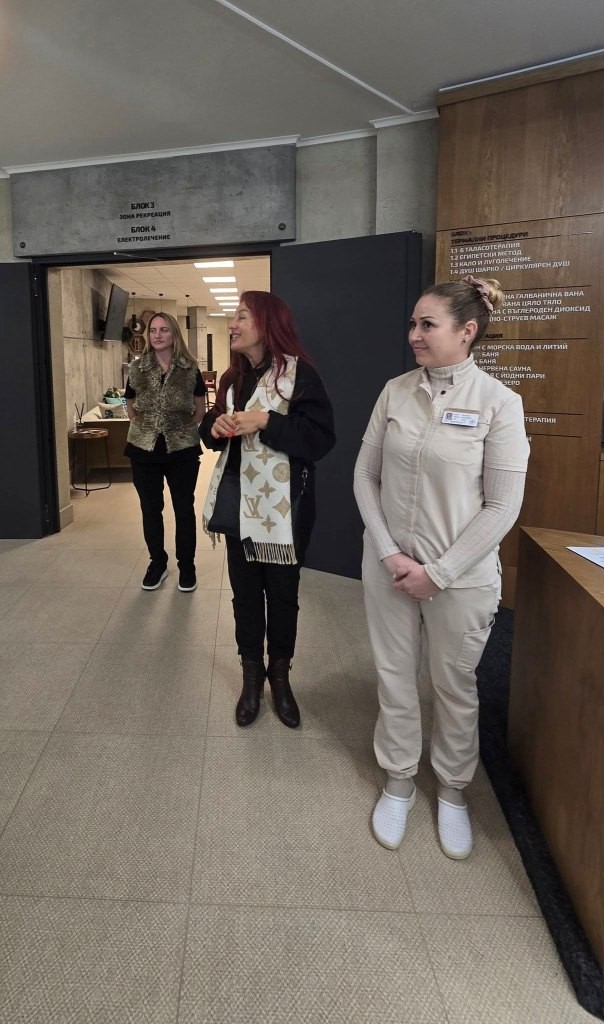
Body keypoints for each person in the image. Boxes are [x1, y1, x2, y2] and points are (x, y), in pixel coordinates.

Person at [353, 276, 529, 858]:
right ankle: (399, 778)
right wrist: (389, 552)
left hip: (462, 578)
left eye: (427, 324)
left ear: (467, 331)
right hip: (389, 567)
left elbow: (502, 507)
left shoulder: (499, 404)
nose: (414, 334)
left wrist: (439, 572)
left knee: (454, 685)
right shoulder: (395, 392)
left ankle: (453, 790)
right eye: (413, 323)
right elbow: (365, 476)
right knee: (395, 676)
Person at [200, 291, 335, 729]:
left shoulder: (301, 375)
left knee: (282, 595)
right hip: (238, 504)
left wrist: (267, 421)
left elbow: (320, 438)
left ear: (267, 323)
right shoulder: (232, 378)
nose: (232, 325)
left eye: (241, 317)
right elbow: (210, 425)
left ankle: (280, 676)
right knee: (244, 595)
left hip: (284, 514)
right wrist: (216, 426)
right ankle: (251, 676)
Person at [125, 312, 207, 592]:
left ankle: (187, 565)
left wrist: (179, 427)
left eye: (164, 330)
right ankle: (157, 563)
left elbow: (199, 408)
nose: (157, 335)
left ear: (174, 334)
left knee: (183, 508)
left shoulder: (190, 369)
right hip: (143, 448)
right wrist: (147, 426)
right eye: (153, 330)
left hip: (181, 448)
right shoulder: (137, 368)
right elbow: (131, 406)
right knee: (151, 509)